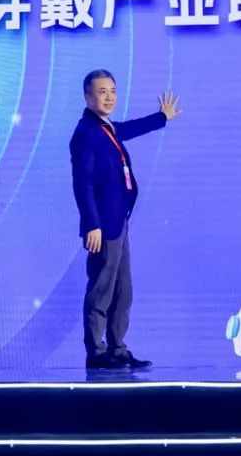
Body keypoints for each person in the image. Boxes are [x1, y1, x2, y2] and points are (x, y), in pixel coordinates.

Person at [70, 69, 181, 370]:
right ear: (87, 97)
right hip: (103, 225)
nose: (109, 97)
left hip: (118, 221)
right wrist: (91, 224)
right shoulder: (85, 133)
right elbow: (82, 183)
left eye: (113, 91)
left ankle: (117, 348)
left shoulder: (105, 128)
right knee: (101, 288)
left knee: (123, 290)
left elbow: (128, 129)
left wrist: (161, 117)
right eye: (102, 92)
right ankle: (96, 351)